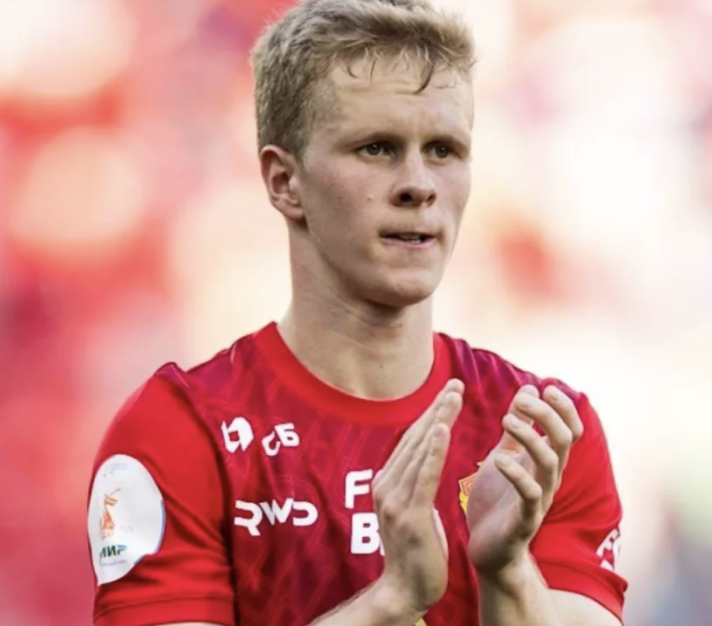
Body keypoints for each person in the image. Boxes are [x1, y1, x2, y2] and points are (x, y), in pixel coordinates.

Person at [85, 1, 628, 625]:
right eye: (377, 148)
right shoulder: (180, 433)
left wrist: (507, 571)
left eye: (444, 149)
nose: (419, 183)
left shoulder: (541, 435)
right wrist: (392, 601)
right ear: (284, 182)